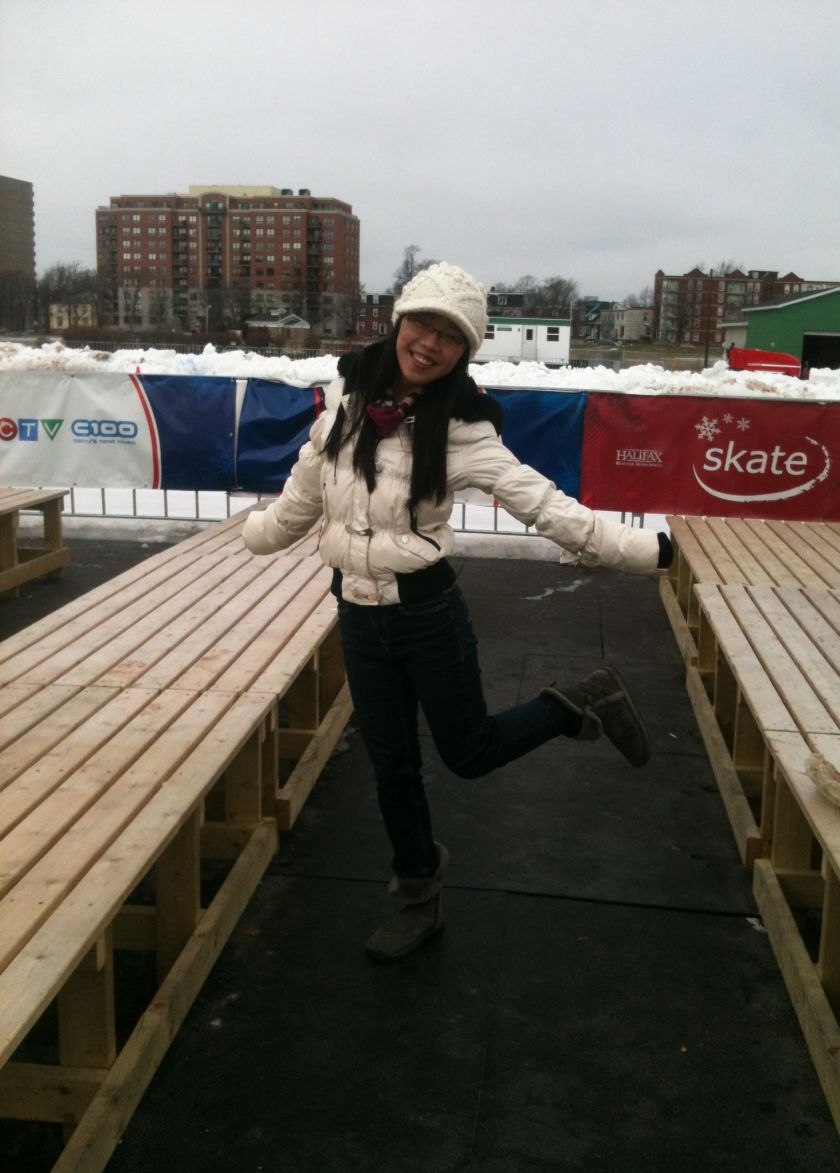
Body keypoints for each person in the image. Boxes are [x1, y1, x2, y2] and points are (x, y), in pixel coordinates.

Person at [243, 262, 673, 963]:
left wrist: (644, 550)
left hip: (426, 615)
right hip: (357, 612)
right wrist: (257, 533)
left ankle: (578, 701)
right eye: (423, 324)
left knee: (469, 754)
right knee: (392, 769)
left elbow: (546, 505)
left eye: (451, 336)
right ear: (399, 320)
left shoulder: (464, 430)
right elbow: (305, 492)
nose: (430, 343)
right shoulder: (346, 399)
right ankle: (419, 898)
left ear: (464, 351)